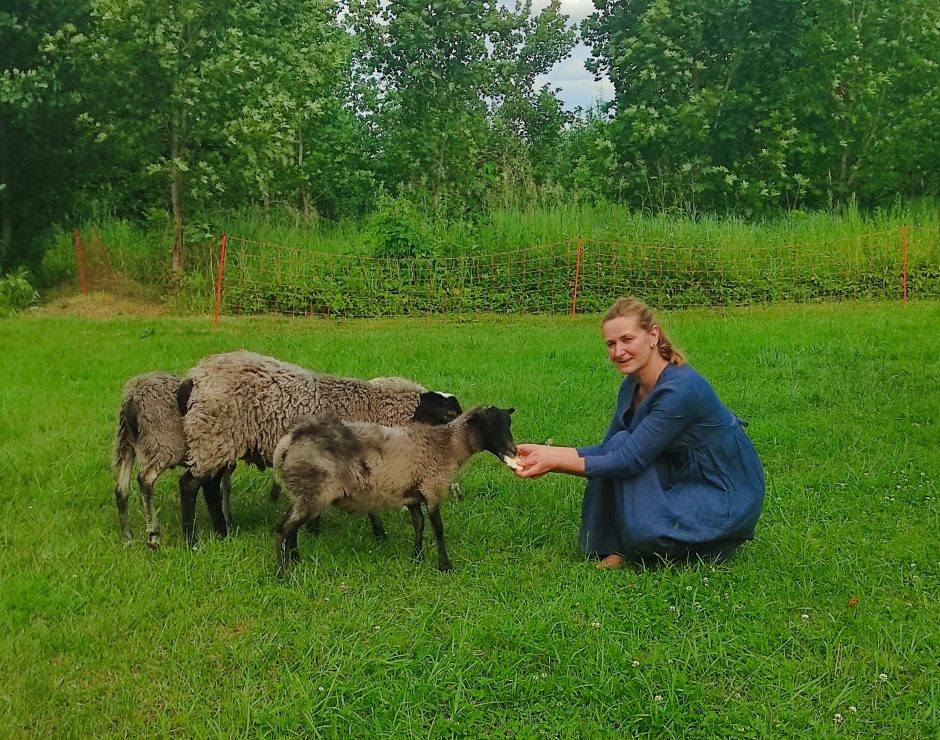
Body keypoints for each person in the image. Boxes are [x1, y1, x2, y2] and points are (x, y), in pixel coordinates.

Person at [514, 297, 765, 567]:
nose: (618, 351)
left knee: (647, 533)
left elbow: (629, 460)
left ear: (653, 335)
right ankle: (618, 545)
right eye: (611, 344)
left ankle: (714, 539)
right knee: (621, 441)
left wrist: (554, 462)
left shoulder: (681, 389)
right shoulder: (630, 385)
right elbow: (611, 447)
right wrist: (546, 451)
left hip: (721, 486)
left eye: (627, 339)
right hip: (680, 470)